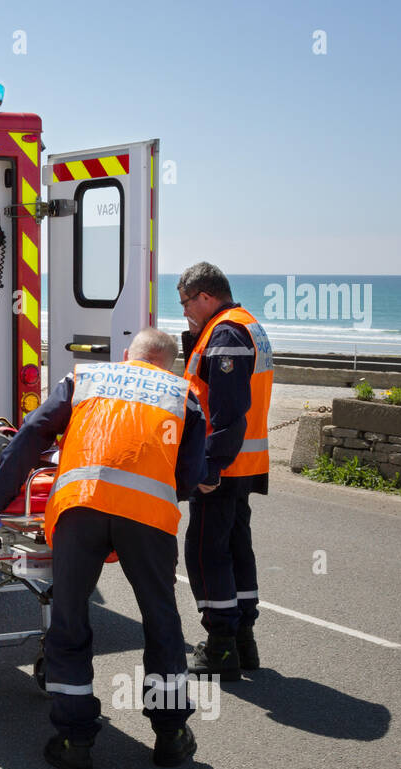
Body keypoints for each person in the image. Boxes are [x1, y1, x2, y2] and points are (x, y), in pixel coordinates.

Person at [0, 330, 207, 769]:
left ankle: (75, 741)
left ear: (127, 357)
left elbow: (32, 433)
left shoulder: (86, 377)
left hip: (80, 507)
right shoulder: (185, 396)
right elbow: (189, 475)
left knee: (69, 619)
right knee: (161, 622)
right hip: (147, 516)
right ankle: (170, 735)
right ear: (169, 365)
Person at [177, 262, 274, 680]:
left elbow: (229, 410)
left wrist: (210, 465)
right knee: (236, 549)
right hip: (245, 463)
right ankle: (241, 642)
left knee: (205, 553)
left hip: (225, 466)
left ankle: (219, 648)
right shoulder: (245, 324)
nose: (184, 313)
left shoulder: (227, 333)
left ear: (205, 296)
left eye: (186, 303)